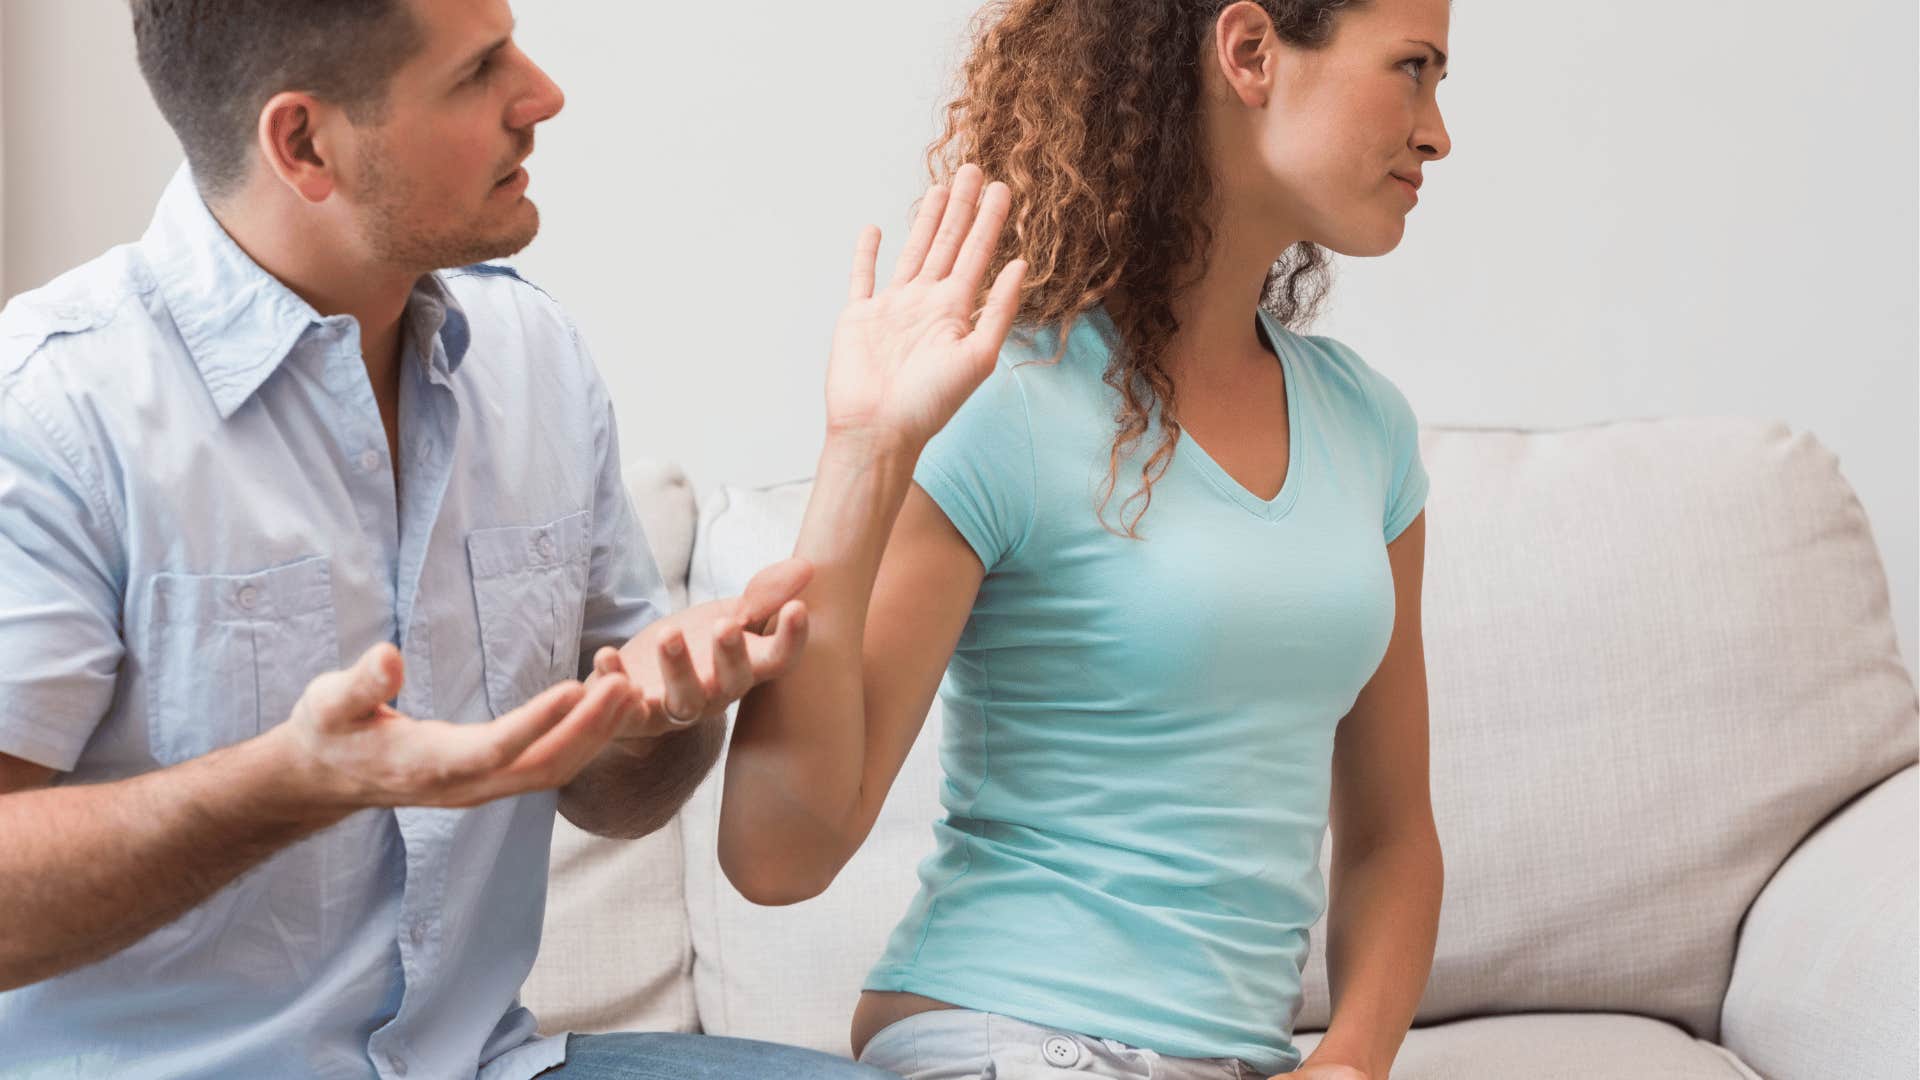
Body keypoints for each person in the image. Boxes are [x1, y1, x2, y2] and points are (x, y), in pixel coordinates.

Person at [0, 0, 1023, 1076]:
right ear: (304, 143)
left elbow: (616, 798)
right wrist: (290, 785)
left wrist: (655, 715)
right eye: (479, 72)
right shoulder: (54, 410)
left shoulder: (530, 359)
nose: (541, 97)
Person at [718, 1, 1451, 1077]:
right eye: (1412, 70)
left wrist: (1350, 1060)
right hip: (1007, 1033)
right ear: (1250, 53)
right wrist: (865, 449)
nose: (1437, 131)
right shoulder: (1007, 401)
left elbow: (1393, 836)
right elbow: (778, 856)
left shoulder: (1367, 429)